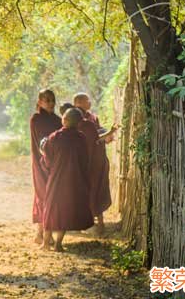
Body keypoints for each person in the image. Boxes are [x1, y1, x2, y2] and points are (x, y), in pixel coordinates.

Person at [41, 108, 94, 252]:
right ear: (78, 124)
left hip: (57, 180)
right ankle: (58, 243)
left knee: (51, 209)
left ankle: (45, 243)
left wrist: (42, 152)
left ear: (64, 120)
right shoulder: (81, 138)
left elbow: (48, 161)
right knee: (65, 210)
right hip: (74, 181)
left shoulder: (55, 137)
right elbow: (85, 160)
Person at [73, 93, 118, 234]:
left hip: (97, 160)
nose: (90, 102)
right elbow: (91, 137)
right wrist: (107, 134)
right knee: (87, 191)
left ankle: (100, 223)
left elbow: (97, 132)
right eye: (87, 100)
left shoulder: (91, 117)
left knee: (98, 189)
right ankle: (86, 223)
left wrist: (107, 134)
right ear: (78, 102)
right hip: (84, 163)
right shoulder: (75, 118)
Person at [29, 89, 62, 244]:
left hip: (56, 164)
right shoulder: (36, 119)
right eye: (46, 100)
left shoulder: (58, 120)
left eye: (52, 100)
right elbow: (42, 142)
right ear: (40, 102)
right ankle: (42, 234)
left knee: (52, 196)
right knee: (43, 195)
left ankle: (41, 233)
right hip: (41, 162)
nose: (50, 103)